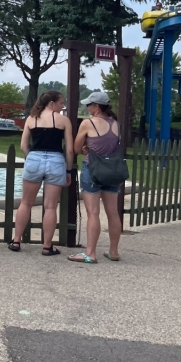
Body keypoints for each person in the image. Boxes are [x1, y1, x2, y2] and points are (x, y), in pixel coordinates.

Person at [9, 90, 74, 255]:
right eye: (61, 103)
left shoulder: (31, 119)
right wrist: (68, 170)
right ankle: (47, 246)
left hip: (34, 158)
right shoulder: (64, 120)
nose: (62, 106)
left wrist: (30, 158)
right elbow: (70, 150)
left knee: (26, 203)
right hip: (56, 161)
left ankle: (16, 241)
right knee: (51, 206)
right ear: (51, 103)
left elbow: (23, 145)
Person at [70, 91, 123, 264]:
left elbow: (76, 148)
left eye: (89, 105)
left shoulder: (88, 123)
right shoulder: (116, 124)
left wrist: (86, 147)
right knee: (113, 213)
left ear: (97, 106)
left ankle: (90, 253)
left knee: (93, 213)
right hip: (112, 171)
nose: (87, 107)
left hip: (92, 168)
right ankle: (114, 251)